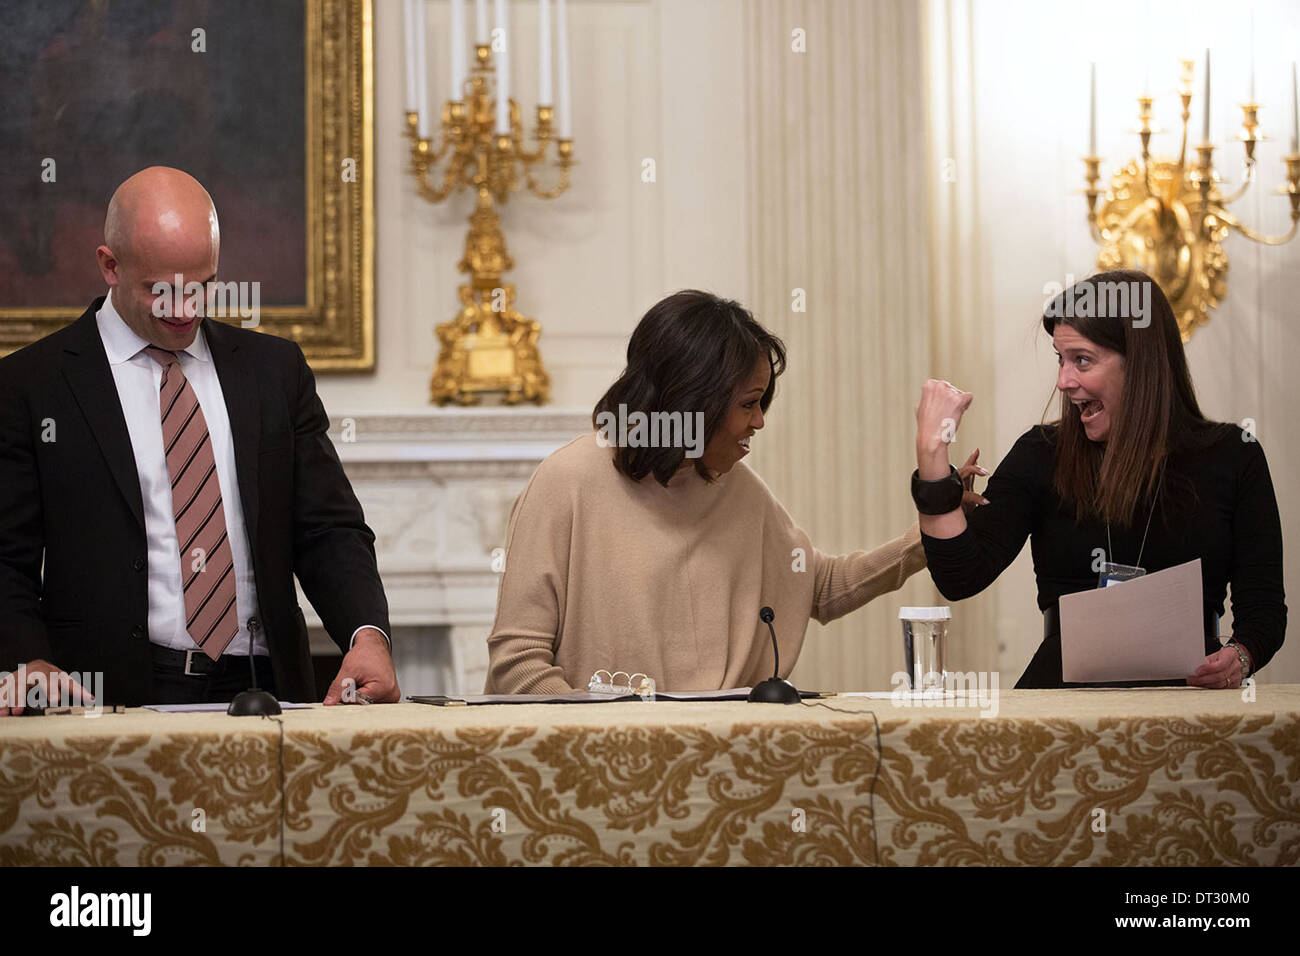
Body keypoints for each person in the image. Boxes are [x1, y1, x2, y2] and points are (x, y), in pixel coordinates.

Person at [0, 166, 398, 711]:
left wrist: (367, 635)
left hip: (267, 688)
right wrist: (28, 658)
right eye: (161, 290)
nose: (185, 309)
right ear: (109, 265)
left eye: (202, 287)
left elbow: (329, 528)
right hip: (109, 700)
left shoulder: (274, 371)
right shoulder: (32, 385)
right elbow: (5, 557)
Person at [486, 290, 979, 694]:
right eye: (748, 404)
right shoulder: (566, 482)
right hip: (602, 769)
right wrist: (616, 738)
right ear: (691, 399)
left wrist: (931, 531)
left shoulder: (735, 487)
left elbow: (820, 586)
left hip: (729, 753)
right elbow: (518, 665)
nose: (760, 421)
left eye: (762, 402)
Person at [911, 269, 1286, 689]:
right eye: (1060, 358)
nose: (1063, 381)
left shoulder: (1234, 455)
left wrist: (1240, 656)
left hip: (1192, 697)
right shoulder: (1041, 453)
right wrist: (932, 455)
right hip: (1064, 701)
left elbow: (1265, 610)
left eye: (1082, 360)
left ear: (1140, 364)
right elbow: (960, 577)